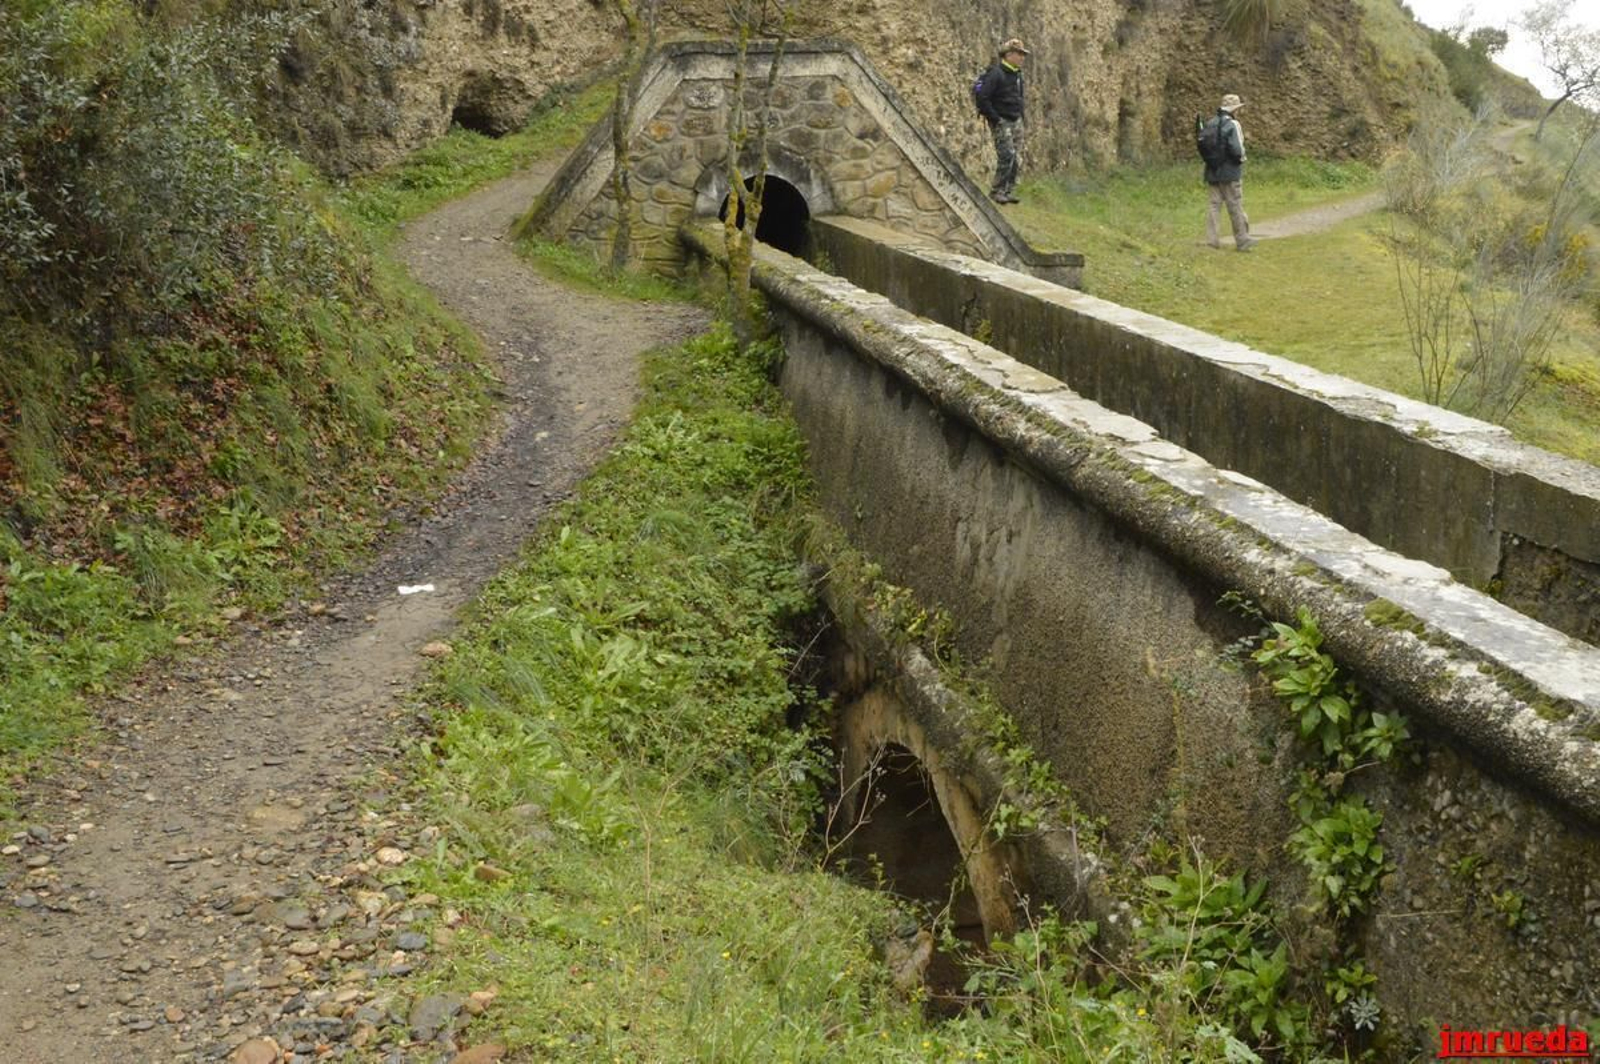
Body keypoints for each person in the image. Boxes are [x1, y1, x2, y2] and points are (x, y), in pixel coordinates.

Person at [975, 38, 1029, 205]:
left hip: (1015, 120)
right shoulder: (996, 74)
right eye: (1019, 54)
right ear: (1009, 54)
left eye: (1023, 54)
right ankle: (997, 191)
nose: (1022, 57)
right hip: (1002, 120)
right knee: (1007, 154)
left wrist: (1021, 117)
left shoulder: (1017, 75)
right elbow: (982, 98)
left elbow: (1019, 97)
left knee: (1016, 158)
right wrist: (995, 118)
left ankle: (1007, 191)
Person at [1201, 93, 1256, 251]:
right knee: (1235, 205)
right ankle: (1242, 240)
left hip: (1212, 170)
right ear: (1234, 109)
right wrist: (1241, 160)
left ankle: (1212, 241)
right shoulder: (1233, 124)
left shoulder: (1210, 123)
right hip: (1230, 172)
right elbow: (1237, 149)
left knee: (1214, 206)